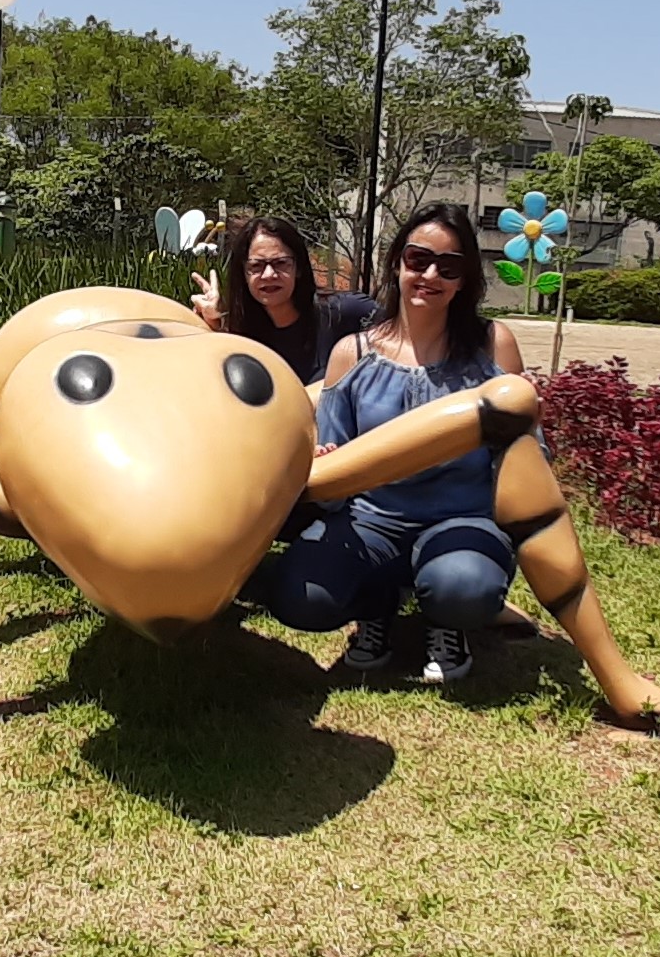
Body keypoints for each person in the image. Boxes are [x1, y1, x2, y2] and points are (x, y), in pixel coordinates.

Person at [264, 203, 529, 684]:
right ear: (397, 263)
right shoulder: (354, 353)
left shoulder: (493, 346)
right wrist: (325, 464)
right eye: (418, 259)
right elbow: (337, 466)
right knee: (301, 599)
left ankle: (448, 620)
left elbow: (526, 452)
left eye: (448, 267)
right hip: (371, 521)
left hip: (463, 519)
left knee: (463, 588)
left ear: (465, 278)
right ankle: (377, 610)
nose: (430, 275)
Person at [190, 215, 375, 386]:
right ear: (243, 274)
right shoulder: (241, 335)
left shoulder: (347, 313)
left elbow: (400, 339)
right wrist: (214, 322)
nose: (269, 274)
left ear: (299, 268)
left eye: (280, 263)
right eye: (256, 266)